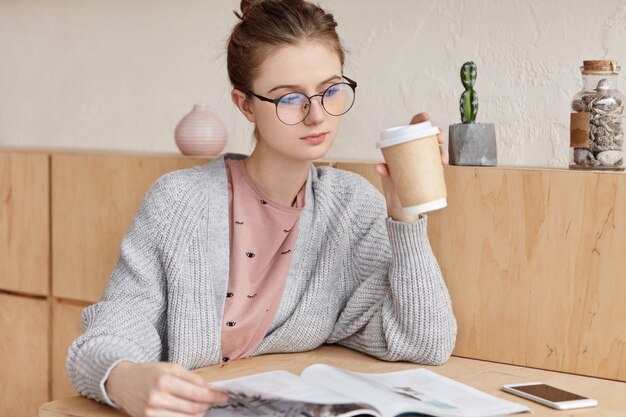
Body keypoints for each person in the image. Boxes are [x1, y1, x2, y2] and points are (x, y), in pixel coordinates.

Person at [66, 1, 457, 416]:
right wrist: (124, 377)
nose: (316, 115)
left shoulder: (351, 206)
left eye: (331, 90)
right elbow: (108, 335)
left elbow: (425, 342)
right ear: (245, 104)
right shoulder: (179, 202)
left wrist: (404, 214)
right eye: (289, 98)